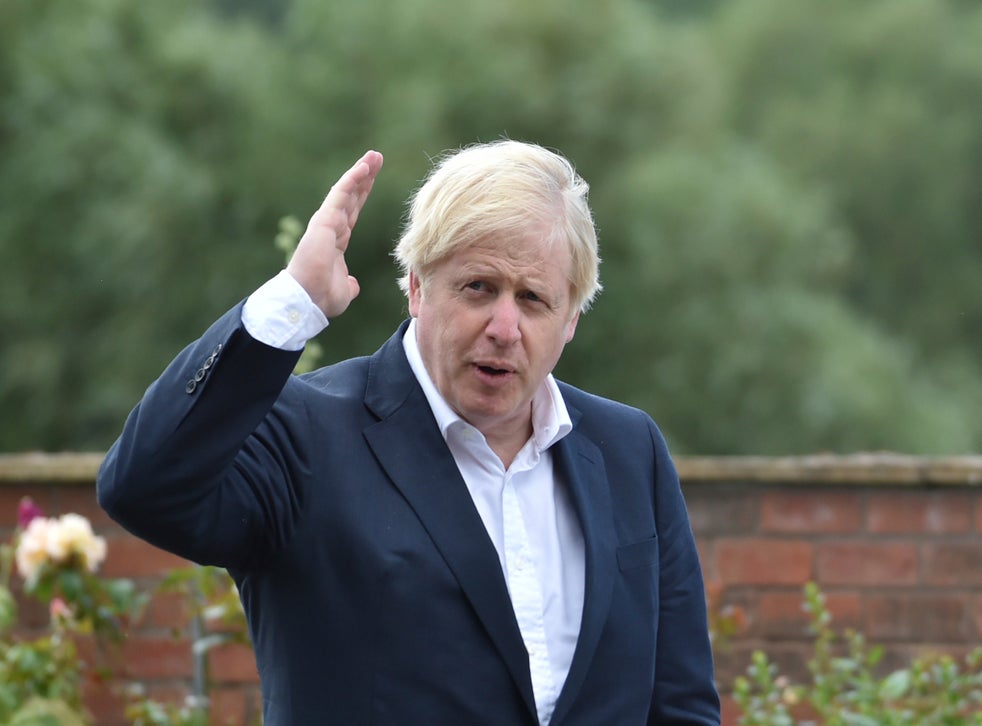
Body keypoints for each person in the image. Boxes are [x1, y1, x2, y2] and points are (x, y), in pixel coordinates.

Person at [98, 140, 720, 725]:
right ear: (418, 287)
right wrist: (295, 300)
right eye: (479, 288)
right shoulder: (306, 434)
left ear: (571, 319)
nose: (505, 327)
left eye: (533, 299)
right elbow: (144, 487)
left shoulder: (627, 450)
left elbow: (680, 704)